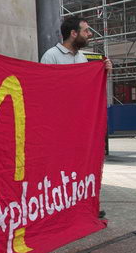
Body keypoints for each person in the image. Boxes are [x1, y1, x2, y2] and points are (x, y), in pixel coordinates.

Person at [41, 16, 112, 219]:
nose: (89, 35)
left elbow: (87, 91)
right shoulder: (51, 56)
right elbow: (45, 91)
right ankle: (58, 207)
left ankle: (85, 203)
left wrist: (104, 73)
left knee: (83, 164)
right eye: (86, 31)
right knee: (59, 168)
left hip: (79, 124)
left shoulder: (82, 58)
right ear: (74, 33)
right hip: (60, 125)